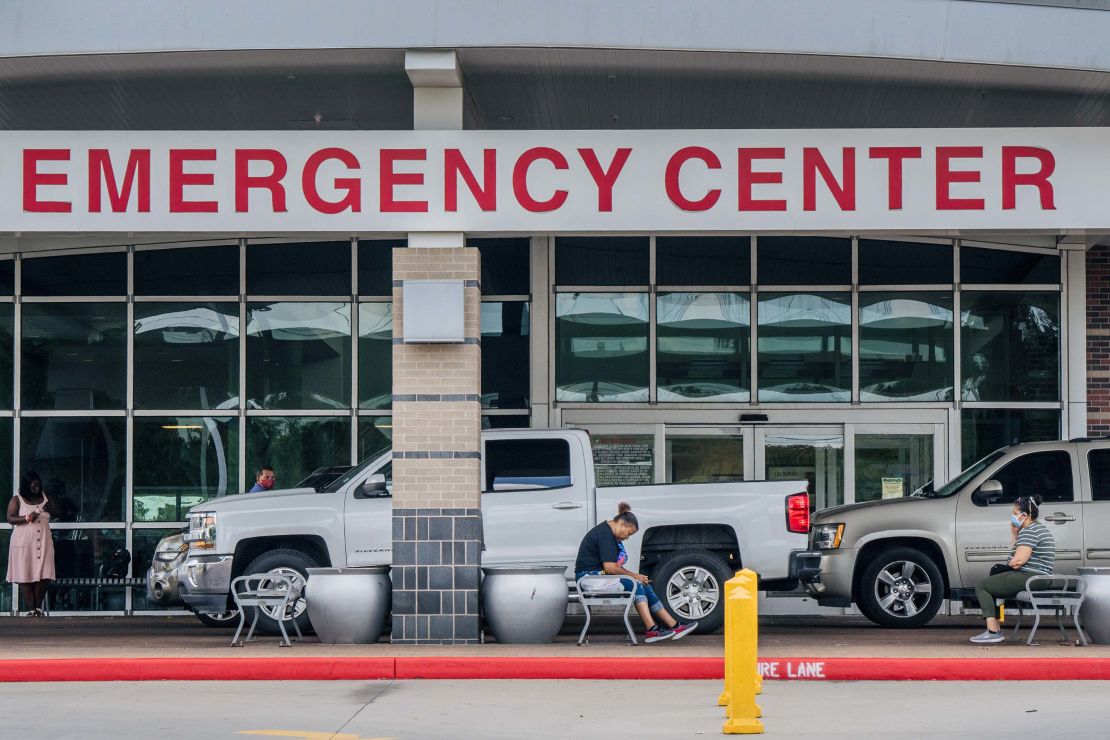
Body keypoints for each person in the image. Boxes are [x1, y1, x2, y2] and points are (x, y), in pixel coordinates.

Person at [575, 501, 698, 643]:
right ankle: (651, 629)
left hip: (597, 578)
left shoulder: (609, 533)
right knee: (636, 583)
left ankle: (675, 626)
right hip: (589, 579)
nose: (627, 537)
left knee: (643, 585)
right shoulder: (605, 534)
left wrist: (636, 577)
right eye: (628, 533)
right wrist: (635, 576)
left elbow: (611, 568)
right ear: (621, 523)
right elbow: (610, 568)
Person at [970, 495, 1055, 644]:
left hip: (1031, 577)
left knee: (982, 586)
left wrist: (1011, 561)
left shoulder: (1030, 531)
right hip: (1037, 576)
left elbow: (1018, 562)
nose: (1013, 517)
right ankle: (995, 630)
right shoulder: (1036, 529)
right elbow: (1016, 556)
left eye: (1015, 514)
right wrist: (1015, 533)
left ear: (1024, 515)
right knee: (994, 579)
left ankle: (993, 631)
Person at [6, 471, 56, 616]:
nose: (37, 489)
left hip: (44, 541)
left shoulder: (46, 497)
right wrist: (27, 517)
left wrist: (51, 509)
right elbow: (10, 518)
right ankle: (31, 609)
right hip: (23, 543)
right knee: (24, 573)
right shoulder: (17, 500)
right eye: (33, 486)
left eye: (38, 485)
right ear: (26, 486)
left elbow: (58, 512)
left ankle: (38, 607)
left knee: (44, 573)